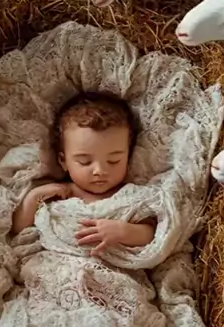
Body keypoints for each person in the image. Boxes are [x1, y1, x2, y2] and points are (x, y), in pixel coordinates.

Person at [11, 91, 156, 255]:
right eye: (84, 162)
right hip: (62, 262)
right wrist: (34, 197)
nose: (100, 171)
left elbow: (154, 235)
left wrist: (124, 232)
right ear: (63, 161)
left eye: (113, 161)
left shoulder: (130, 195)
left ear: (128, 158)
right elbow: (19, 229)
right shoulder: (59, 193)